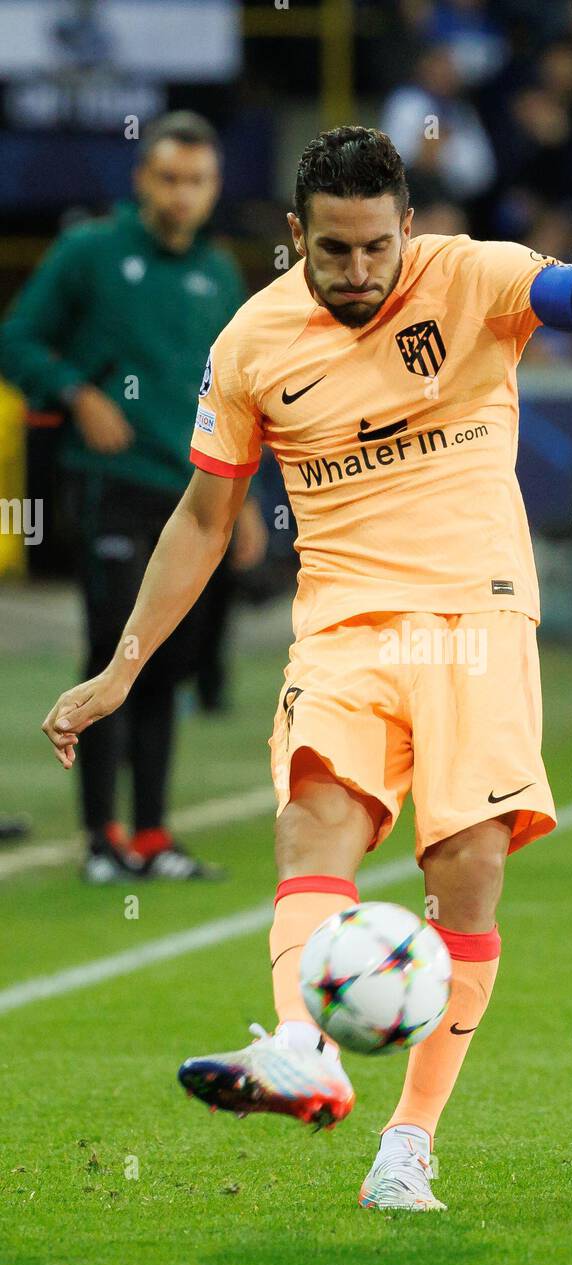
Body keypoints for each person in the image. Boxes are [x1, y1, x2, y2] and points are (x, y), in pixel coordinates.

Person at [41, 127, 572, 1209]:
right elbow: (205, 515)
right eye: (334, 252)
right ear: (294, 237)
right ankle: (303, 1052)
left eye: (375, 248)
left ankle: (407, 1141)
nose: (358, 273)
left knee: (467, 874)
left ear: (408, 225)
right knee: (314, 821)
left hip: (475, 621)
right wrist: (123, 664)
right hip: (345, 629)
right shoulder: (252, 343)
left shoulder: (474, 278)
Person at [0, 111, 266, 883]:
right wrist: (75, 392)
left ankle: (151, 835)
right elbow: (16, 338)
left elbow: (234, 398)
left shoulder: (217, 272)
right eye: (169, 178)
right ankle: (100, 839)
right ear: (142, 179)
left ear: (215, 187)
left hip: (190, 491)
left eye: (198, 181)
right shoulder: (90, 252)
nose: (182, 194)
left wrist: (242, 498)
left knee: (168, 661)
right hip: (108, 484)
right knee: (113, 650)